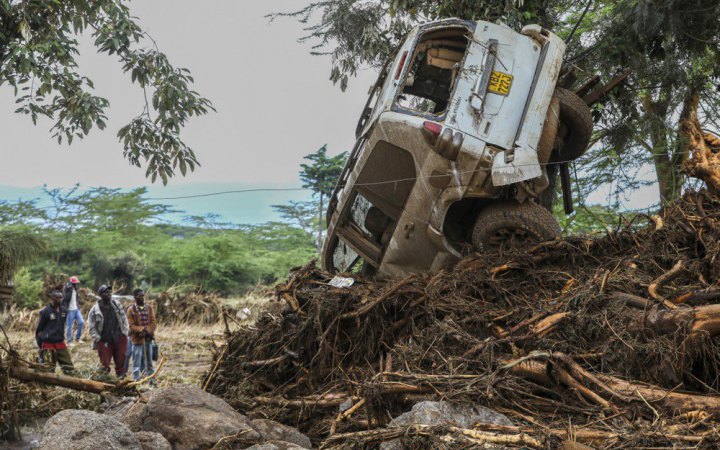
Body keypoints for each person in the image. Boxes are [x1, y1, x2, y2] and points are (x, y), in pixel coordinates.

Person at [87, 285, 129, 377]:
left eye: (109, 292)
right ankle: (105, 381)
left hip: (119, 337)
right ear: (101, 295)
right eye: (106, 292)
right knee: (104, 364)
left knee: (121, 360)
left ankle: (121, 378)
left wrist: (125, 331)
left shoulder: (116, 305)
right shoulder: (95, 310)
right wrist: (97, 338)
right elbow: (91, 326)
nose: (108, 294)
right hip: (104, 340)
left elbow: (123, 317)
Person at [35, 290, 75, 374]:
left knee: (69, 368)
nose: (60, 300)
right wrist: (40, 345)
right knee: (48, 370)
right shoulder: (46, 311)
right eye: (57, 298)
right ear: (52, 299)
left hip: (60, 343)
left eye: (61, 298)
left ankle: (70, 382)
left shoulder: (64, 311)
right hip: (48, 343)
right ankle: (48, 385)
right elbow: (39, 330)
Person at [126, 289, 157, 381]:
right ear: (135, 297)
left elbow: (153, 322)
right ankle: (137, 381)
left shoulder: (149, 308)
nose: (142, 297)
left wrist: (147, 330)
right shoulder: (131, 310)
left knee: (149, 362)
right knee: (136, 362)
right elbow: (131, 326)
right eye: (140, 296)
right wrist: (141, 330)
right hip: (137, 339)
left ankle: (151, 380)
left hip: (148, 338)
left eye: (143, 295)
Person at [62, 276, 84, 344]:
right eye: (74, 283)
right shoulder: (66, 288)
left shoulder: (75, 288)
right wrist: (69, 290)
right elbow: (65, 298)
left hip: (76, 309)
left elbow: (76, 298)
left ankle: (77, 338)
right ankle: (69, 341)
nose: (75, 284)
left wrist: (78, 305)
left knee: (81, 322)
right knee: (69, 326)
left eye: (76, 283)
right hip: (70, 310)